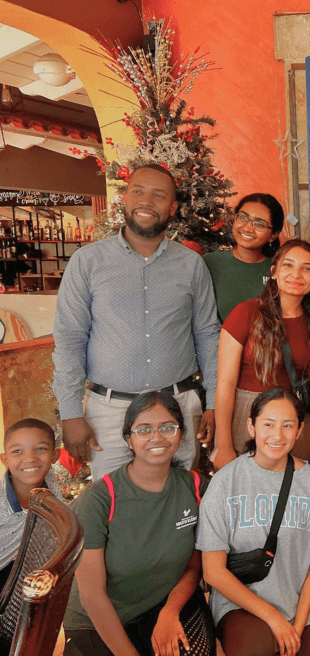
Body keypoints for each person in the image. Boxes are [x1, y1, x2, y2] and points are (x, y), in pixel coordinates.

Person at [53, 163, 220, 478]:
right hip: (108, 414)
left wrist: (213, 404)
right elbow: (70, 339)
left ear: (172, 208)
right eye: (138, 192)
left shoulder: (191, 265)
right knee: (112, 501)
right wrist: (71, 413)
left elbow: (208, 335)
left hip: (178, 409)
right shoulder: (87, 262)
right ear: (125, 197)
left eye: (158, 195)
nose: (146, 202)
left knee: (179, 499)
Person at [64, 392, 214, 656]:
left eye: (167, 427)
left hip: (164, 604)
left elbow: (193, 566)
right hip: (100, 621)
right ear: (129, 439)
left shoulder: (195, 488)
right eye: (144, 430)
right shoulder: (99, 500)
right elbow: (92, 597)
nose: (157, 438)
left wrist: (170, 612)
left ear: (180, 434)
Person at [198, 388, 310, 656]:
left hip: (297, 608)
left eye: (287, 426)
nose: (277, 435)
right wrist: (273, 618)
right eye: (268, 424)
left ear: (299, 430)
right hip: (240, 606)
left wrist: (298, 626)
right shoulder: (226, 481)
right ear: (251, 426)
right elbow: (213, 572)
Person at [213, 240, 310, 469]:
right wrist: (224, 445)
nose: (296, 274)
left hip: (294, 419)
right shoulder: (246, 313)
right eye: (288, 265)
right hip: (248, 416)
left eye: (307, 268)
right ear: (274, 272)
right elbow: (225, 384)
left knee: (292, 486)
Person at [0, 418, 61, 591]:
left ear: (55, 455)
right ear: (5, 459)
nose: (30, 459)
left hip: (24, 572)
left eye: (40, 449)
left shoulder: (49, 482)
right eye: (17, 451)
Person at [204, 193, 284, 322]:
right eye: (243, 218)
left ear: (273, 235)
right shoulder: (209, 263)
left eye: (259, 224)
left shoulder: (280, 269)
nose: (247, 228)